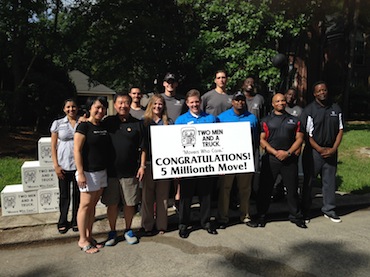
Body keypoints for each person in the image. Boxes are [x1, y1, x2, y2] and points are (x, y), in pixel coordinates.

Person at [246, 93, 306, 229]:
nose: (281, 103)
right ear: (273, 104)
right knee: (265, 189)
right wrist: (275, 152)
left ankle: (296, 216)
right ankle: (261, 216)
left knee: (292, 190)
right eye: (277, 101)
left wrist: (288, 152)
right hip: (271, 159)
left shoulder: (294, 120)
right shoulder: (266, 120)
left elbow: (299, 139)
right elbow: (262, 140)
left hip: (289, 159)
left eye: (283, 100)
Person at [101, 92, 147, 246]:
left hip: (130, 171)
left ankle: (128, 229)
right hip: (111, 172)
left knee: (129, 203)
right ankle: (112, 231)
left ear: (130, 104)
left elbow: (143, 147)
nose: (123, 106)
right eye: (120, 103)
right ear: (114, 105)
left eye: (126, 102)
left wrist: (142, 166)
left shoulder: (137, 123)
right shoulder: (107, 122)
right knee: (112, 204)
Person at [175, 89, 218, 238]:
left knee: (206, 196)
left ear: (200, 102)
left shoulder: (211, 119)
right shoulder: (180, 121)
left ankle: (205, 222)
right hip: (188, 166)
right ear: (187, 103)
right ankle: (183, 224)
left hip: (206, 165)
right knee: (186, 197)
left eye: (196, 102)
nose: (194, 104)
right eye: (191, 102)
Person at [301, 81, 343, 223]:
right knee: (309, 182)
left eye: (324, 90)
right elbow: (307, 135)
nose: (322, 93)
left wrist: (333, 149)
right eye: (319, 91)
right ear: (314, 94)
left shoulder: (336, 108)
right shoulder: (309, 110)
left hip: (331, 150)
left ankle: (329, 210)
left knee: (329, 181)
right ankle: (305, 211)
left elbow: (340, 130)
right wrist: (319, 149)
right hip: (313, 151)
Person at [216, 92, 259, 228]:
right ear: (232, 102)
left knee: (245, 189)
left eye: (242, 100)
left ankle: (245, 215)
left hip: (244, 159)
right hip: (226, 159)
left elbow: (256, 139)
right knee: (225, 188)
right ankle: (223, 217)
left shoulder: (252, 118)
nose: (240, 103)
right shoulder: (222, 118)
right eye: (237, 100)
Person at [74, 96, 109, 254]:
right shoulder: (83, 127)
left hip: (101, 171)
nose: (100, 111)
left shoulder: (102, 126)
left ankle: (89, 236)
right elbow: (77, 150)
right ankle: (82, 240)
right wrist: (80, 173)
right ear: (89, 109)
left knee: (93, 206)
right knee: (85, 206)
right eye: (97, 108)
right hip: (87, 173)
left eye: (103, 108)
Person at [141, 94, 172, 235]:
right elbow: (142, 146)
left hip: (165, 164)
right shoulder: (143, 121)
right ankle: (147, 225)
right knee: (147, 195)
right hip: (148, 162)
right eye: (155, 104)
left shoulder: (168, 122)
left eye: (160, 104)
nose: (157, 107)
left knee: (163, 195)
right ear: (150, 105)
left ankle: (161, 225)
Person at [50, 99, 80, 234]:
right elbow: (53, 147)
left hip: (79, 165)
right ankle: (62, 220)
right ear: (64, 109)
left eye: (73, 106)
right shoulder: (58, 124)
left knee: (78, 195)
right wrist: (56, 165)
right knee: (64, 195)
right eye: (68, 107)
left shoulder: (82, 122)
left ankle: (76, 220)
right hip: (63, 165)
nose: (71, 109)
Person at [160, 73, 185, 211]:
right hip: (163, 137)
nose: (170, 84)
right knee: (164, 170)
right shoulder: (159, 99)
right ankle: (162, 200)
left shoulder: (181, 99)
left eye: (172, 82)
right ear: (164, 84)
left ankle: (177, 198)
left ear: (176, 84)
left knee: (178, 171)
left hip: (178, 138)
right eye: (168, 82)